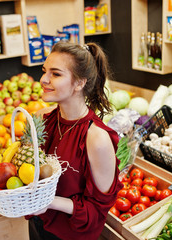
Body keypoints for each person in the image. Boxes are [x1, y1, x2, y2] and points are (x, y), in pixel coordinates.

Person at [28, 41, 123, 240]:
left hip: (71, 234)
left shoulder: (96, 138)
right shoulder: (40, 119)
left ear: (80, 83)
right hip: (38, 225)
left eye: (56, 74)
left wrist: (48, 202)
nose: (44, 79)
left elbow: (97, 209)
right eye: (44, 71)